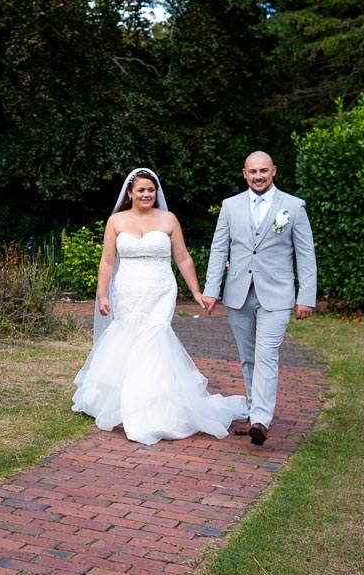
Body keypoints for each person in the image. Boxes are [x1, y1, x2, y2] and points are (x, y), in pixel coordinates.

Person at [72, 168, 246, 444]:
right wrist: (102, 294)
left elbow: (184, 258)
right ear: (130, 193)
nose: (146, 195)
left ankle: (152, 411)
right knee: (129, 338)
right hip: (127, 289)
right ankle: (124, 402)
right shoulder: (116, 220)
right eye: (140, 190)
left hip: (160, 290)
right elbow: (107, 261)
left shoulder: (168, 219)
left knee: (153, 340)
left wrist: (197, 292)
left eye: (151, 190)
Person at [200, 151, 317, 446]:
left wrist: (307, 297)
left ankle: (262, 420)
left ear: (274, 171)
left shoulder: (293, 206)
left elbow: (305, 254)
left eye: (264, 170)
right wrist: (212, 289)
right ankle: (254, 411)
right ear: (244, 173)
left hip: (276, 294)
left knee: (267, 354)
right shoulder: (230, 206)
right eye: (253, 171)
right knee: (248, 357)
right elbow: (218, 250)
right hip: (239, 293)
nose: (258, 176)